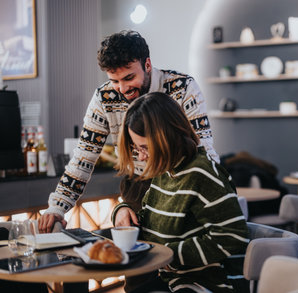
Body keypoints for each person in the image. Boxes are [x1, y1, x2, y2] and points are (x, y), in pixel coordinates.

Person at [38, 30, 218, 233]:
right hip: (138, 186)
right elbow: (83, 159)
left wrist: (213, 190)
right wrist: (58, 207)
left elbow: (203, 148)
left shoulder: (183, 88)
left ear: (147, 65)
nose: (122, 88)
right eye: (115, 81)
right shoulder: (104, 97)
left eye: (129, 77)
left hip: (182, 184)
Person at [113, 92, 249, 293]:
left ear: (165, 138)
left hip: (205, 283)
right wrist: (122, 210)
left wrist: (169, 255)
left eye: (145, 148)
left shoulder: (200, 173)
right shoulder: (166, 171)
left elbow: (233, 235)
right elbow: (150, 220)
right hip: (173, 279)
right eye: (137, 148)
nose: (141, 157)